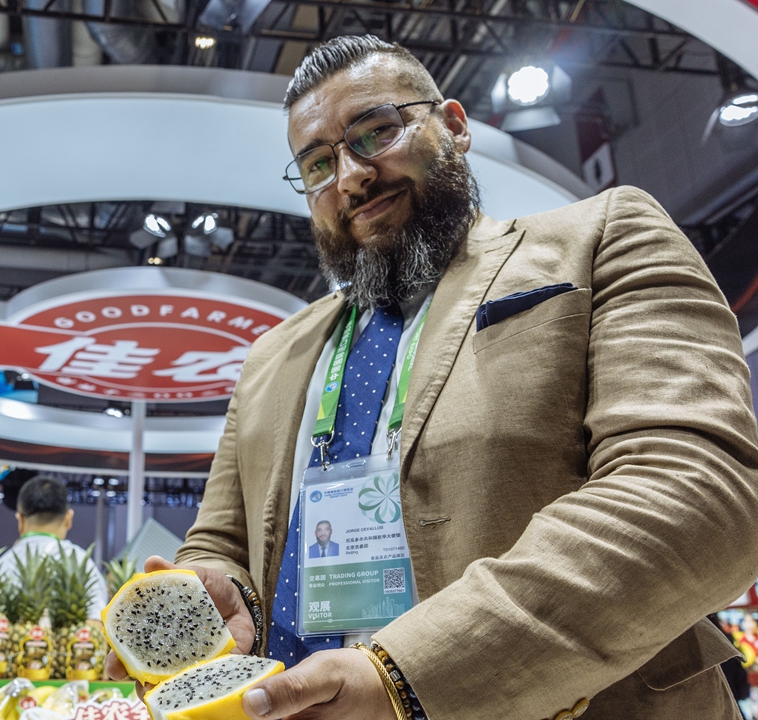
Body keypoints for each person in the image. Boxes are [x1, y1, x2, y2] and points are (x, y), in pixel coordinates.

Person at [108, 35, 758, 720]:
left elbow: (701, 497)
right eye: (318, 163)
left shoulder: (601, 237)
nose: (351, 176)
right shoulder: (273, 354)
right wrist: (213, 587)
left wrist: (406, 678)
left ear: (453, 125)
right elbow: (221, 541)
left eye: (376, 132)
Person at [0, 476, 109, 620]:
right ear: (68, 518)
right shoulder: (83, 564)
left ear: (20, 520)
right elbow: (95, 625)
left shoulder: (1, 565)